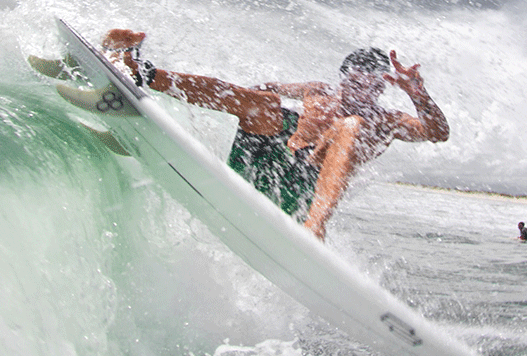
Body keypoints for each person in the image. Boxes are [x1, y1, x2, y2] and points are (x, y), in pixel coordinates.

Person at [101, 29, 450, 240]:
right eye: (355, 83)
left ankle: (314, 228)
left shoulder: (385, 120)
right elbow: (257, 91)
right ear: (344, 77)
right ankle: (142, 74)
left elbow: (437, 132)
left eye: (371, 88)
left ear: (381, 89)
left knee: (351, 126)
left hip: (299, 195)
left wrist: (417, 94)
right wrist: (240, 100)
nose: (361, 94)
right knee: (266, 105)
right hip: (259, 167)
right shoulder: (318, 92)